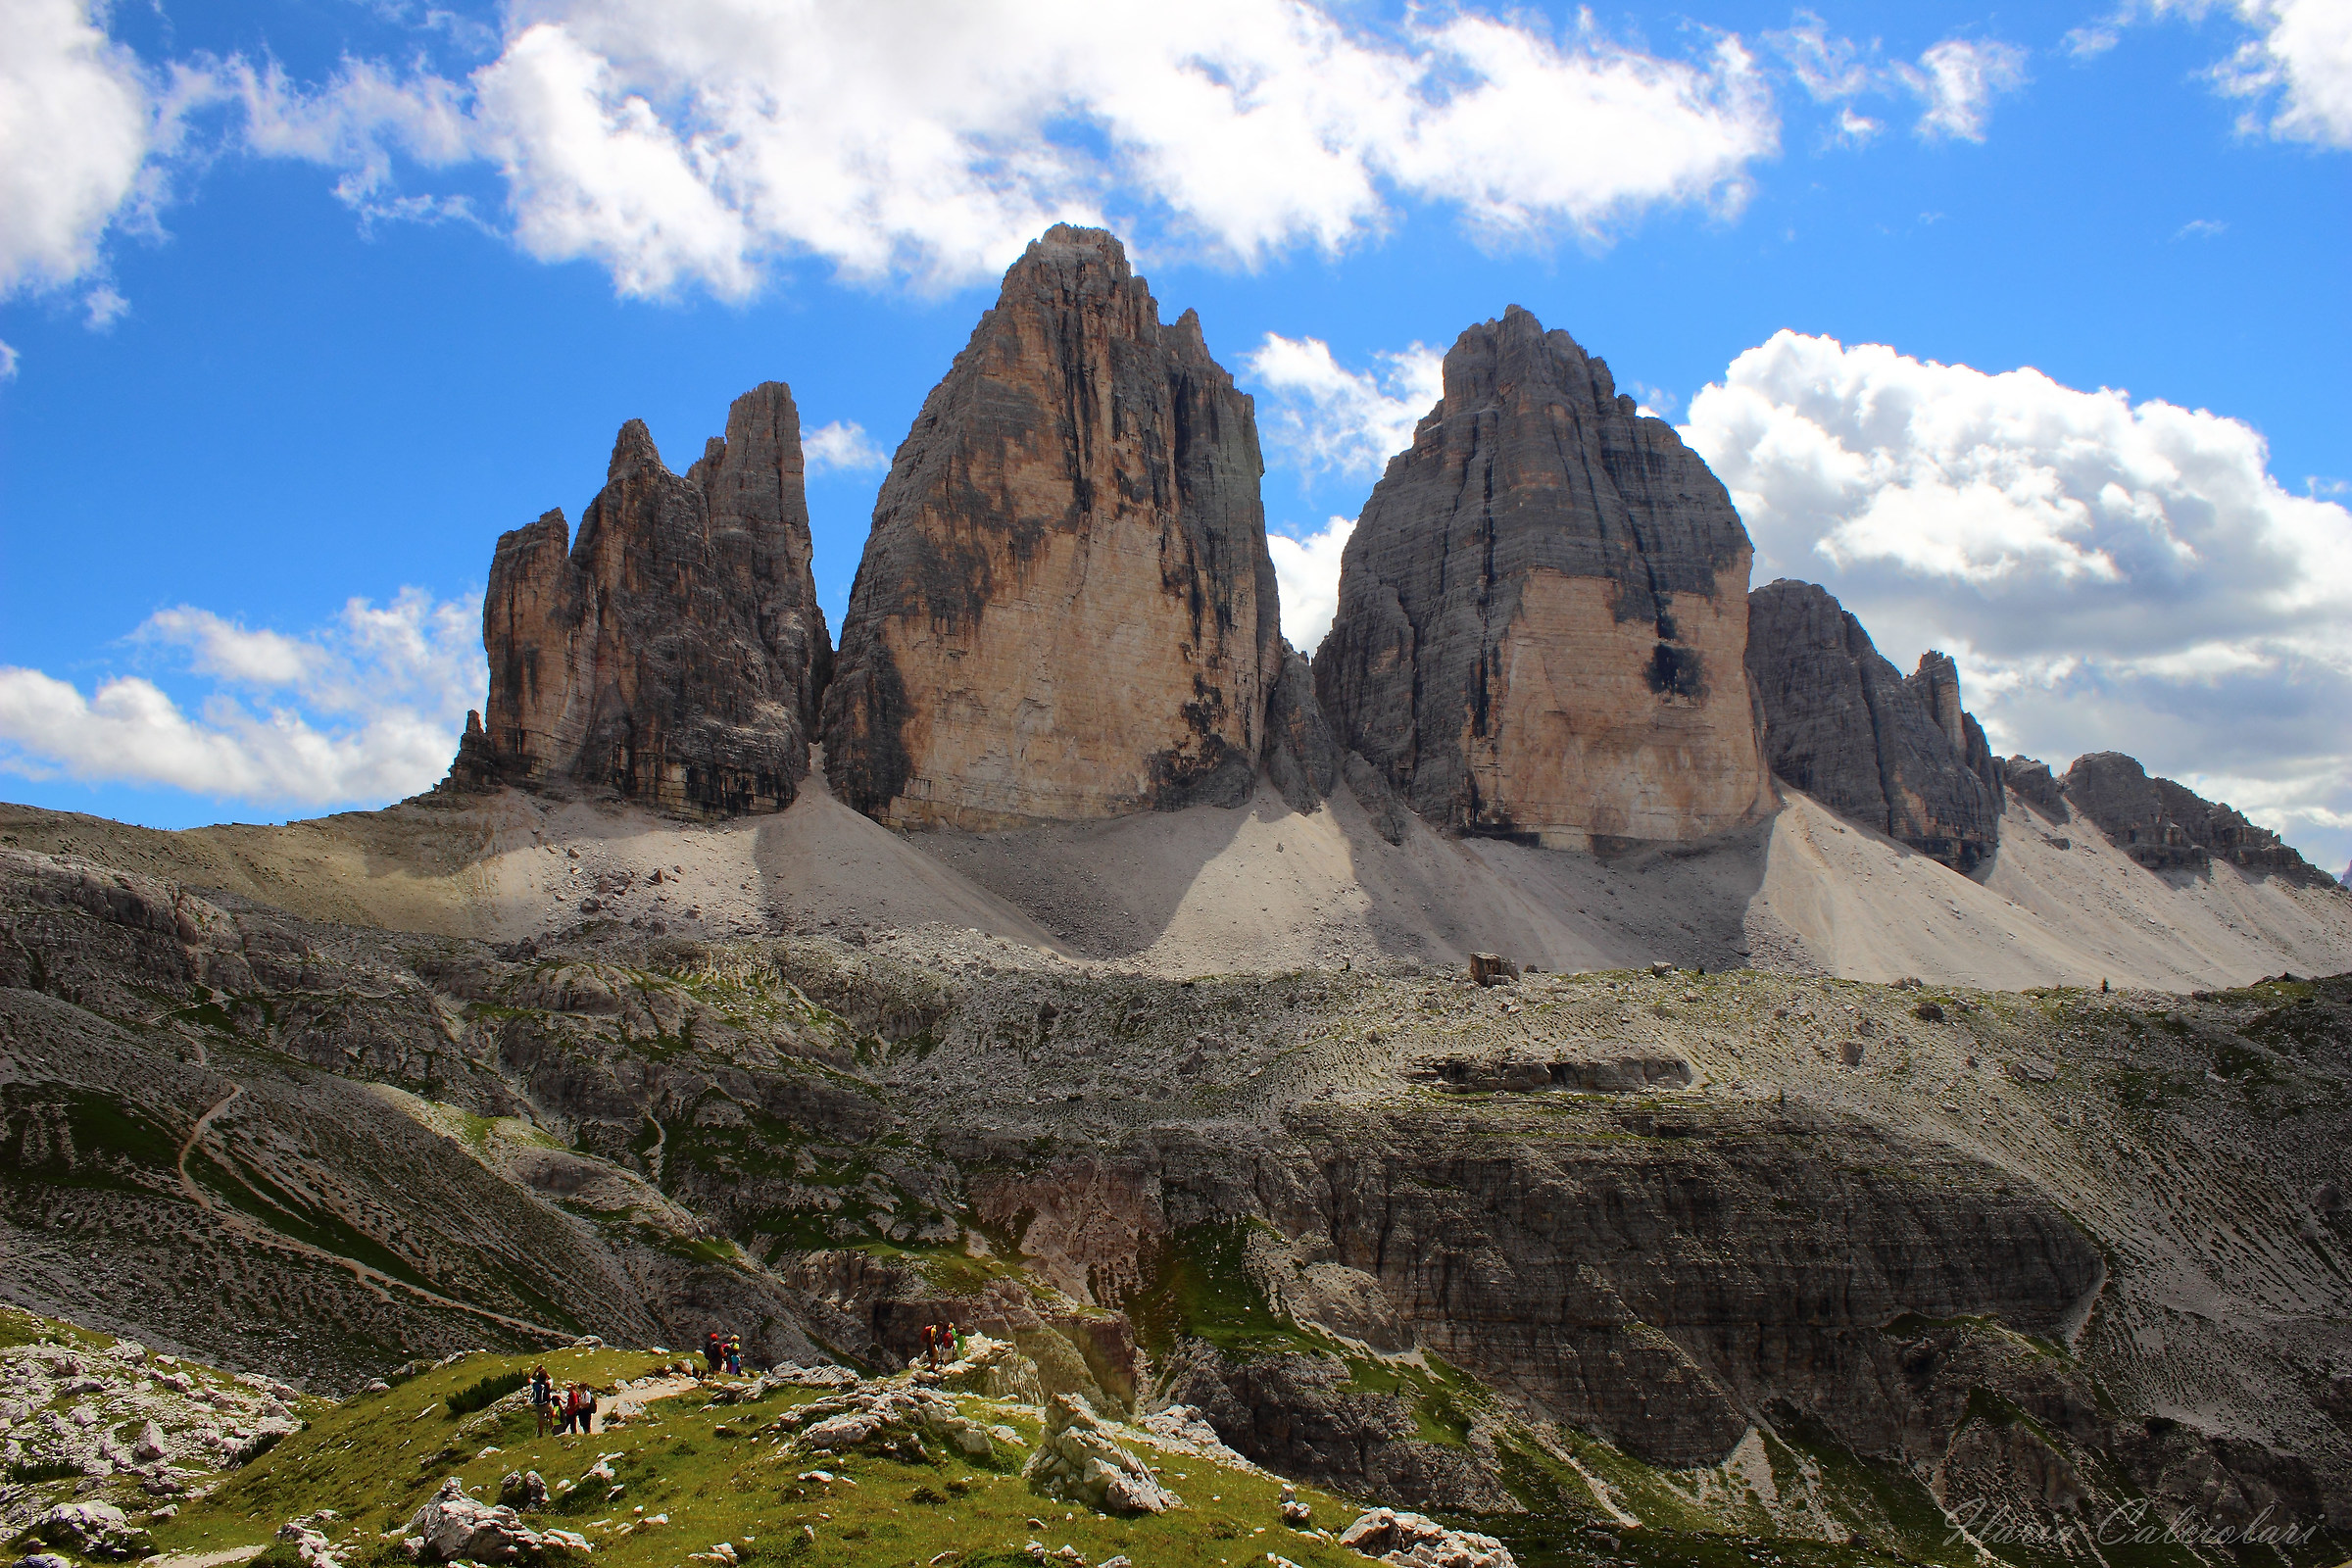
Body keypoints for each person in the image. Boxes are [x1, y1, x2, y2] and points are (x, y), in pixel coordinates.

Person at [530, 1365, 554, 1437]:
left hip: (538, 1405)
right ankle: (553, 1430)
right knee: (550, 1415)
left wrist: (535, 1370)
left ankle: (540, 1434)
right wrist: (545, 1372)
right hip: (546, 1403)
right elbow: (551, 1378)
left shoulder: (535, 1384)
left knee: (540, 1419)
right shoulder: (547, 1384)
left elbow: (529, 1378)